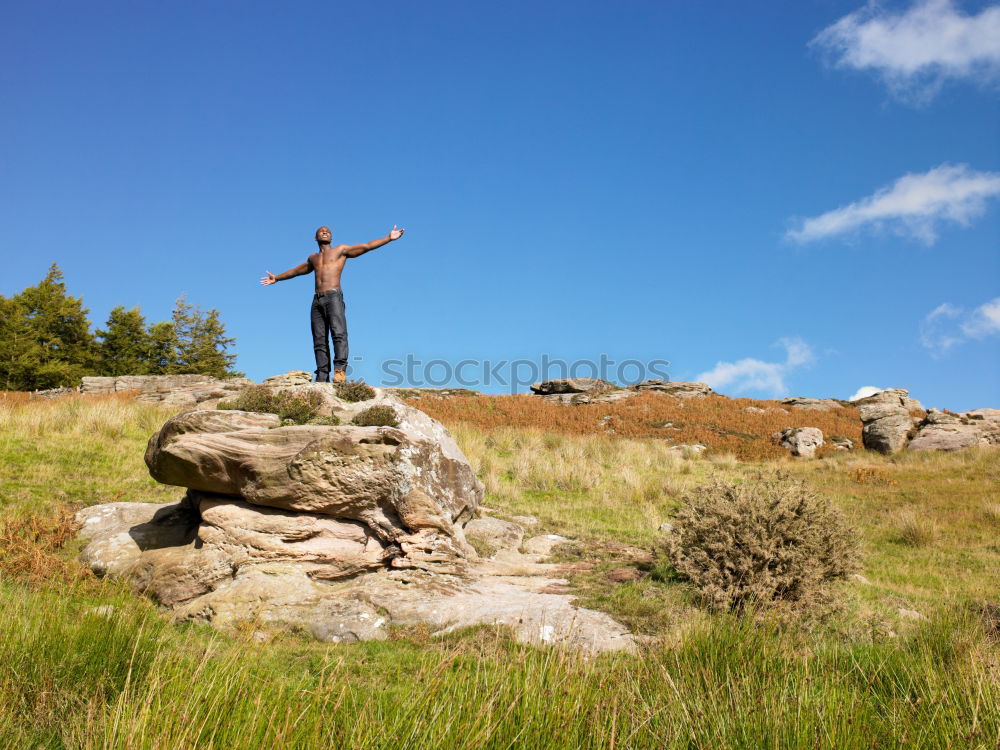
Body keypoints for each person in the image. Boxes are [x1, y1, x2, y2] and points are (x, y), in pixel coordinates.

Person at [260, 224, 405, 383]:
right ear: (315, 238)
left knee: (339, 333)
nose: (325, 232)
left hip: (333, 296)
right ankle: (322, 375)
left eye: (328, 231)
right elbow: (296, 271)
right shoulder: (313, 258)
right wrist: (278, 278)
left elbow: (366, 247)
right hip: (317, 300)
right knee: (319, 338)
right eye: (321, 231)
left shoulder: (340, 250)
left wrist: (389, 238)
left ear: (331, 237)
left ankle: (339, 371)